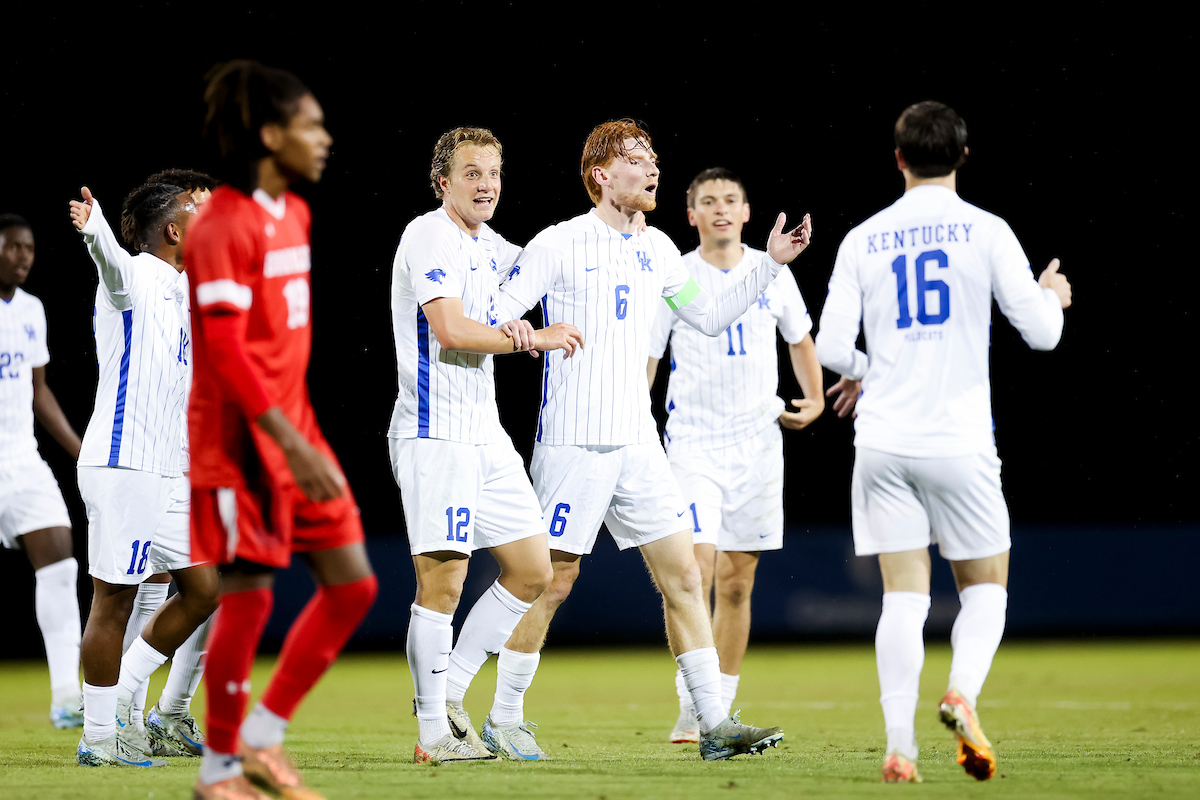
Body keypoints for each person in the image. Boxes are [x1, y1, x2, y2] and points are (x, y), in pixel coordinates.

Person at [490, 119, 810, 761]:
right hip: (573, 443)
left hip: (640, 445)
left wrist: (769, 266)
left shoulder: (661, 249)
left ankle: (713, 724)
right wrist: (533, 335)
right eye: (637, 158)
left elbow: (713, 315)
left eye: (654, 157)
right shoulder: (559, 242)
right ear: (601, 174)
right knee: (553, 582)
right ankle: (505, 716)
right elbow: (503, 307)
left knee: (686, 576)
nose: (653, 167)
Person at [814, 100, 1072, 783]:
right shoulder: (987, 232)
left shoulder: (863, 238)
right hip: (958, 442)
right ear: (963, 156)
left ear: (897, 158)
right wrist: (1053, 296)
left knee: (902, 598)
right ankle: (961, 693)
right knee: (987, 588)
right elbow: (1042, 335)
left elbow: (836, 347)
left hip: (883, 443)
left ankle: (899, 748)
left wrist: (878, 373)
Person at [184, 60, 377, 800]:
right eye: (310, 125)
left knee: (354, 584)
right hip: (241, 444)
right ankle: (219, 771)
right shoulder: (221, 225)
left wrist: (303, 434)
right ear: (270, 135)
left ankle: (263, 738)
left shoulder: (292, 213)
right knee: (251, 594)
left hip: (295, 429)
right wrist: (288, 443)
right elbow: (229, 353)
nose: (324, 138)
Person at [390, 126, 583, 764]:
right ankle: (431, 733)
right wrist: (533, 338)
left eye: (494, 174)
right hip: (434, 430)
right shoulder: (428, 234)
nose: (487, 186)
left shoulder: (489, 245)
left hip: (485, 433)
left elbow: (547, 263)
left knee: (534, 570)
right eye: (472, 173)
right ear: (443, 181)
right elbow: (448, 331)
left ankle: (449, 695)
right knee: (443, 583)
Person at [647, 168, 824, 743]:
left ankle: (719, 705)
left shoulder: (771, 272)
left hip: (757, 446)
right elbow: (649, 357)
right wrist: (633, 417)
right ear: (690, 213)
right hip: (693, 444)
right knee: (694, 570)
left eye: (730, 200)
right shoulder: (675, 275)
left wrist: (816, 397)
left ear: (746, 212)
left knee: (738, 584)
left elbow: (799, 338)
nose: (720, 208)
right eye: (707, 201)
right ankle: (694, 705)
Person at [68, 174, 221, 768]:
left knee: (204, 588)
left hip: (169, 471)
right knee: (114, 600)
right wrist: (96, 228)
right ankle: (101, 738)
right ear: (175, 230)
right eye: (198, 208)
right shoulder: (135, 276)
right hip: (123, 463)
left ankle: (127, 700)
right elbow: (110, 262)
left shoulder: (186, 292)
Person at [0, 213, 85, 729]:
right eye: (11, 247)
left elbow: (39, 391)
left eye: (28, 248)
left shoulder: (32, 310)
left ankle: (66, 698)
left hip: (22, 458)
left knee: (59, 564)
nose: (23, 255)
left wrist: (80, 451)